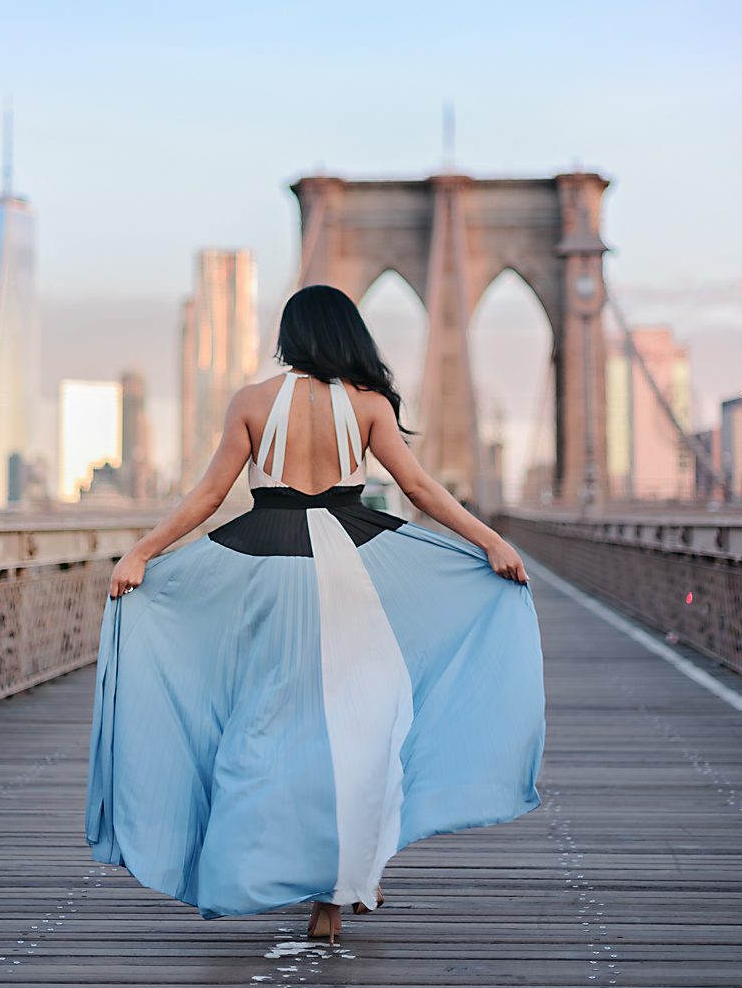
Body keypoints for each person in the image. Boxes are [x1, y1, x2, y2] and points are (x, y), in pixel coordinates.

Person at [85, 284, 546, 944]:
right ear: (346, 335)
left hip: (266, 574)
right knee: (362, 720)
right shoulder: (368, 405)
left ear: (291, 335)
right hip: (351, 572)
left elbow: (211, 494)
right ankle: (344, 882)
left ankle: (255, 865)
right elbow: (419, 489)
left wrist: (143, 551)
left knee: (267, 719)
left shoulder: (251, 402)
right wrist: (492, 542)